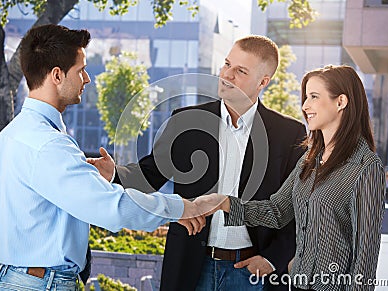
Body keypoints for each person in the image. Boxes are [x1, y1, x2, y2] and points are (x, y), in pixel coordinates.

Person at [0, 24, 205, 291]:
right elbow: (112, 209)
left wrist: (91, 176)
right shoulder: (48, 145)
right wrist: (182, 208)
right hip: (40, 284)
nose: (87, 79)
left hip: (22, 279)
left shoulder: (12, 135)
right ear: (57, 75)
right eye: (81, 70)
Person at [90, 35, 306, 291]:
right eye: (226, 64)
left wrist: (272, 260)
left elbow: (297, 208)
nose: (227, 75)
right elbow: (151, 174)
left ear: (263, 82)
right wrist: (115, 173)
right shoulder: (186, 122)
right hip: (192, 265)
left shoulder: (289, 134)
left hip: (253, 273)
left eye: (240, 71)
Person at [199, 65, 386, 291]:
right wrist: (225, 203)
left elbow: (366, 255)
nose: (305, 106)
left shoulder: (366, 166)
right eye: (305, 97)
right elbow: (277, 212)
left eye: (314, 97)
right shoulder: (310, 158)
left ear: (341, 102)